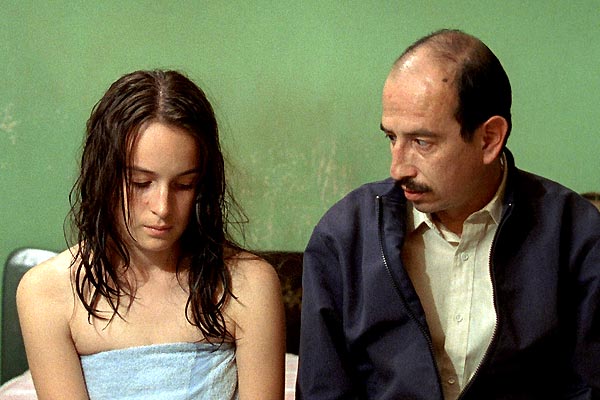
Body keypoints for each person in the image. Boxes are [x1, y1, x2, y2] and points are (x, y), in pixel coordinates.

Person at [297, 29, 600, 399]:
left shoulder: (577, 236)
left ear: (489, 139)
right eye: (392, 138)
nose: (398, 168)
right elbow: (323, 392)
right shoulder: (344, 237)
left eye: (422, 142)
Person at [17, 70, 286, 399]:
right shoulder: (46, 292)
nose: (162, 207)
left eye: (184, 185)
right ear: (103, 176)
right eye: (140, 183)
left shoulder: (249, 285)